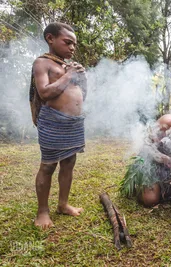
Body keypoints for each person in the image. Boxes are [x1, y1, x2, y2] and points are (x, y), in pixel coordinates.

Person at [30, 22, 87, 229]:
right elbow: (44, 92)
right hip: (53, 121)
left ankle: (63, 204)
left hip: (73, 123)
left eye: (74, 44)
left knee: (69, 161)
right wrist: (70, 75)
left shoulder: (68, 66)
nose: (72, 48)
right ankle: (42, 212)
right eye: (67, 42)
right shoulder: (42, 63)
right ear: (50, 39)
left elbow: (80, 94)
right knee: (48, 165)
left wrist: (81, 76)